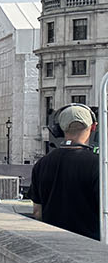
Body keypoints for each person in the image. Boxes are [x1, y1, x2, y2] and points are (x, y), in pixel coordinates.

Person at [30, 103, 100, 240]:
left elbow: (37, 212)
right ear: (93, 127)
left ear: (60, 129)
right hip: (90, 247)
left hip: (52, 244)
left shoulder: (42, 163)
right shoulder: (99, 164)